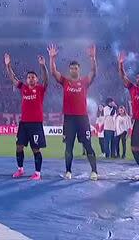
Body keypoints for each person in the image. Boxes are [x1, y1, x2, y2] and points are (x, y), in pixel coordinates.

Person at [48, 43, 98, 180]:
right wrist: (52, 58)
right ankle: (68, 171)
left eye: (75, 68)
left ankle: (94, 171)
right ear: (69, 70)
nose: (73, 70)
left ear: (79, 70)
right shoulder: (65, 82)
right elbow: (53, 72)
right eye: (71, 68)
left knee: (88, 144)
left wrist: (93, 58)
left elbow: (94, 73)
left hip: (82, 118)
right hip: (69, 119)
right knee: (68, 146)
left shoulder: (84, 82)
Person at [3, 53, 47, 180]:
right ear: (26, 79)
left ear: (36, 79)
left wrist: (43, 66)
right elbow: (13, 78)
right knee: (19, 146)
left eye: (33, 77)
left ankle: (37, 173)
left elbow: (46, 79)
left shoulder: (40, 89)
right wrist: (8, 65)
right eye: (29, 77)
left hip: (36, 124)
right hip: (24, 124)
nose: (31, 79)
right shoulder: (23, 88)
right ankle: (20, 170)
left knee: (35, 149)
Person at [117, 51, 139, 166]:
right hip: (137, 121)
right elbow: (123, 77)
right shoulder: (133, 89)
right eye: (137, 78)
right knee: (134, 148)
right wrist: (120, 65)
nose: (138, 79)